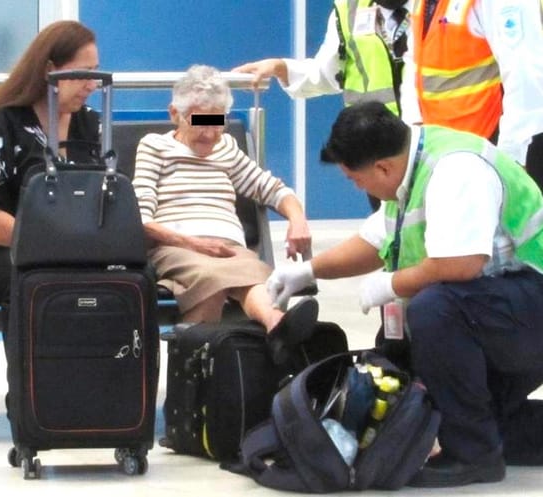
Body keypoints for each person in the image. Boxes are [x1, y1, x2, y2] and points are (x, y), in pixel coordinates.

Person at [267, 100, 543, 486]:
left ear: (381, 167)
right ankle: (481, 436)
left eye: (355, 179)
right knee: (473, 418)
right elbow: (371, 241)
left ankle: (474, 456)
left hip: (530, 304)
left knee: (435, 308)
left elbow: (460, 265)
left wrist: (389, 284)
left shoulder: (455, 169)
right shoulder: (410, 174)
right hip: (508, 311)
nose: (357, 187)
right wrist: (307, 271)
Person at [133, 64, 318, 364]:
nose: (210, 134)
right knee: (211, 280)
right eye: (200, 122)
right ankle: (201, 375)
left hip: (227, 246)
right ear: (174, 115)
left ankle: (276, 327)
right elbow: (141, 219)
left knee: (254, 273)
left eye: (217, 122)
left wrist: (297, 218)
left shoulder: (226, 148)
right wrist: (195, 244)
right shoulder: (155, 147)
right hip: (176, 246)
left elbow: (270, 188)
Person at [0, 20, 101, 307]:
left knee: (132, 276)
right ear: (49, 69)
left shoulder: (90, 123)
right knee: (36, 282)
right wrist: (51, 246)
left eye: (95, 73)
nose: (92, 84)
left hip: (68, 247)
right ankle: (39, 353)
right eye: (83, 73)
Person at [233, 0, 416, 211]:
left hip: (431, 143)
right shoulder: (350, 8)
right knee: (390, 230)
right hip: (376, 149)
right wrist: (280, 68)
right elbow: (326, 73)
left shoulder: (445, 7)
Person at [404, 0, 543, 190]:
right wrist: (415, 130)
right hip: (447, 150)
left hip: (496, 147)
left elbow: (524, 75)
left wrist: (509, 159)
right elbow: (414, 59)